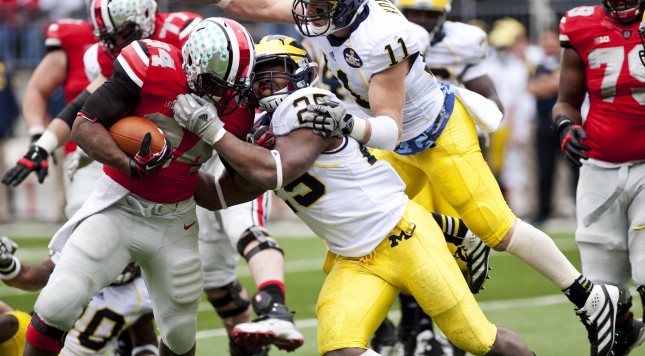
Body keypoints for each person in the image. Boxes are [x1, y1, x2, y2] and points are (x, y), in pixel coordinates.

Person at [204, 1, 621, 355]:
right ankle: (453, 233)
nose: (310, 13)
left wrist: (346, 121)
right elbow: (255, 6)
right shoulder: (327, 11)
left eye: (320, 6)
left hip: (434, 129)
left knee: (496, 227)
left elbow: (390, 129)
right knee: (364, 201)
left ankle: (588, 295)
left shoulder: (382, 33)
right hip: (385, 135)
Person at [175, 33, 535, 356]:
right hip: (354, 257)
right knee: (340, 349)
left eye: (277, 71)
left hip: (401, 236)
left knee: (476, 339)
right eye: (260, 74)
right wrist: (168, 169)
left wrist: (213, 130)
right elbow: (218, 195)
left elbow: (276, 169)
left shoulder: (309, 105)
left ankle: (447, 230)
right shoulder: (261, 132)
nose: (267, 82)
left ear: (302, 72)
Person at [21, 17, 255, 356]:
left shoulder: (238, 108)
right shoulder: (151, 64)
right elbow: (84, 127)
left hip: (176, 221)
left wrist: (220, 137)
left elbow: (237, 186)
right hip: (119, 204)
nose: (223, 94)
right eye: (214, 83)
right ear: (189, 65)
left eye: (231, 86)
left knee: (179, 333)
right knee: (57, 302)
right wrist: (129, 163)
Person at [1, 0, 202, 189]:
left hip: (201, 137)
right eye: (109, 38)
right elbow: (83, 106)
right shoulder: (106, 55)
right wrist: (42, 146)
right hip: (150, 151)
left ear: (147, 16)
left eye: (125, 32)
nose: (118, 43)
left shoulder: (184, 31)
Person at [552, 1, 645, 355]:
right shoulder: (581, 24)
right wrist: (565, 126)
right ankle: (622, 333)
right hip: (599, 164)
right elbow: (566, 100)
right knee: (600, 292)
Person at [0, 236, 158, 355]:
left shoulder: (142, 293)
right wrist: (7, 265)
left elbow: (145, 340)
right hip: (35, 342)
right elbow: (29, 276)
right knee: (9, 322)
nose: (120, 265)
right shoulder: (83, 258)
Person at [525, 29, 577, 226]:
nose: (548, 45)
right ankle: (543, 211)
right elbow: (530, 88)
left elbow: (562, 84)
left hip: (565, 123)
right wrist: (551, 83)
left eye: (551, 41)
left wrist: (547, 84)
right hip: (543, 124)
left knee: (574, 168)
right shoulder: (536, 66)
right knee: (544, 170)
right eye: (545, 41)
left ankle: (578, 208)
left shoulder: (566, 61)